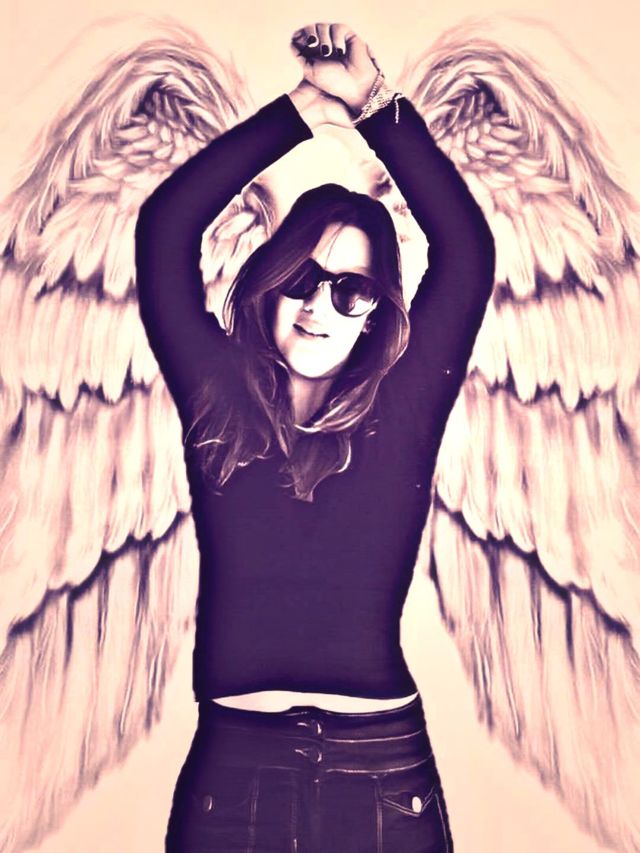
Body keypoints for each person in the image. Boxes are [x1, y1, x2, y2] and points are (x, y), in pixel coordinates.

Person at [135, 21, 495, 853]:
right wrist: (299, 111)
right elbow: (164, 229)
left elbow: (467, 251)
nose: (318, 305)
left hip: (383, 770)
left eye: (350, 291)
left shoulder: (402, 412)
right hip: (236, 767)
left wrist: (373, 104)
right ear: (271, 282)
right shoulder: (217, 399)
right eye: (303, 277)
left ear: (375, 314)